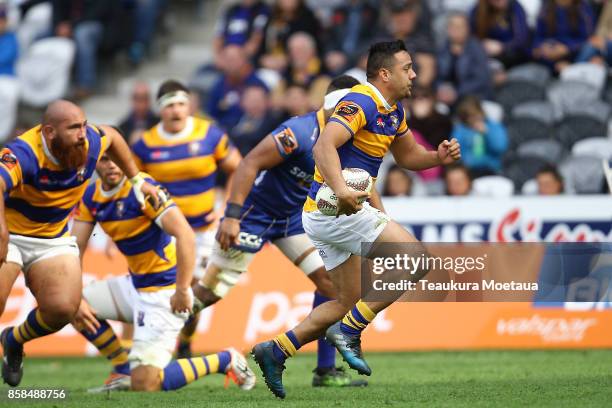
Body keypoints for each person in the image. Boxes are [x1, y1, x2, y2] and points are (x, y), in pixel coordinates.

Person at [251, 40, 461, 399]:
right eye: (407, 67)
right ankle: (349, 331)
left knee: (343, 300)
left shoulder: (393, 111)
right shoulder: (360, 101)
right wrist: (341, 189)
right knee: (416, 260)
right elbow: (323, 146)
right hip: (338, 207)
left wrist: (437, 157)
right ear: (385, 73)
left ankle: (276, 350)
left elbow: (409, 157)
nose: (413, 74)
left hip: (324, 214)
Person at [201, 75, 366, 388]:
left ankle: (325, 372)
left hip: (291, 219)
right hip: (253, 215)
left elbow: (363, 182)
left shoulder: (350, 139)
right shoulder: (299, 132)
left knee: (333, 286)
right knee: (208, 294)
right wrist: (231, 216)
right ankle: (175, 337)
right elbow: (249, 164)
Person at [0, 100, 163, 387]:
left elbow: (112, 135)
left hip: (52, 236)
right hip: (10, 233)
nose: (82, 134)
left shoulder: (90, 142)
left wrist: (137, 180)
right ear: (49, 132)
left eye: (84, 125)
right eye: (74, 127)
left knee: (63, 309)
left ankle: (14, 340)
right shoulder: (23, 153)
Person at [71, 153, 255, 392]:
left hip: (163, 293)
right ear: (95, 162)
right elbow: (75, 246)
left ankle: (225, 359)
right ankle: (122, 367)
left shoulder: (143, 189)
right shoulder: (91, 194)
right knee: (67, 302)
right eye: (105, 159)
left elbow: (186, 236)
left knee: (146, 384)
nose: (112, 164)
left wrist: (181, 289)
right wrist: (72, 290)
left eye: (117, 158)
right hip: (133, 287)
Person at [131, 80, 241, 358]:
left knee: (192, 293)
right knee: (158, 293)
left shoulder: (209, 135)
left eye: (180, 103)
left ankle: (185, 343)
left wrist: (228, 206)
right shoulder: (145, 145)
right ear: (160, 110)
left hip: (203, 230)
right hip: (163, 233)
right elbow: (133, 186)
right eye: (169, 105)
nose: (176, 110)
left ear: (189, 105)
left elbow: (238, 168)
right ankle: (152, 349)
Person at [437, 12, 493, 107]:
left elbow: (481, 79)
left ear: (467, 29)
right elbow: (436, 76)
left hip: (474, 98)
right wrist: (440, 90)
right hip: (446, 98)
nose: (455, 29)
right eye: (452, 26)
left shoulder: (476, 49)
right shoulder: (442, 48)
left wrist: (457, 92)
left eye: (459, 26)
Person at [206, 45, 269, 131]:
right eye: (227, 60)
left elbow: (266, 115)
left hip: (251, 133)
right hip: (224, 132)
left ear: (244, 60)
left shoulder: (257, 84)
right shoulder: (219, 85)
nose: (230, 63)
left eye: (233, 59)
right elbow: (211, 113)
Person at [450, 95, 508, 177]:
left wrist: (487, 133)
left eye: (474, 115)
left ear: (481, 112)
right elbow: (456, 152)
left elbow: (500, 147)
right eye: (468, 117)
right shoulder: (461, 130)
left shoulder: (493, 126)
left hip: (492, 170)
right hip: (469, 171)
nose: (472, 119)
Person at [532, 0, 595, 72]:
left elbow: (588, 39)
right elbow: (538, 36)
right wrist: (542, 46)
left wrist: (567, 48)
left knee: (590, 49)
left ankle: (572, 68)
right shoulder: (546, 6)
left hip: (574, 55)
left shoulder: (583, 8)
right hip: (549, 54)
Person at [0, 6, 18, 77]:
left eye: (1, 21)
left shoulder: (11, 38)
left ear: (6, 22)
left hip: (6, 77)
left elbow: (5, 57)